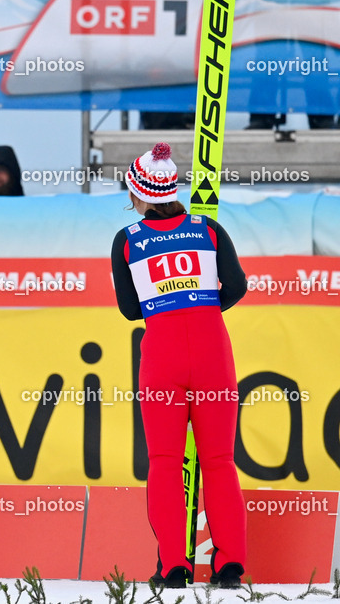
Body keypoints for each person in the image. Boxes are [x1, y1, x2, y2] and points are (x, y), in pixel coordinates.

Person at [110, 142, 247, 590]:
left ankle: (174, 566)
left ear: (139, 194)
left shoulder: (127, 240)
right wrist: (205, 306)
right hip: (212, 351)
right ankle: (228, 565)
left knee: (165, 463)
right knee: (221, 461)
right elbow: (238, 286)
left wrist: (168, 304)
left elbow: (130, 310)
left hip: (163, 356)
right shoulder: (208, 228)